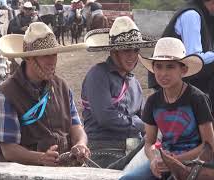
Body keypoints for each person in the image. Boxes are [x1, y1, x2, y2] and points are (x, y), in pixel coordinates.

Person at [0, 22, 90, 166]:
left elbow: (76, 126)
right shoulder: (5, 96)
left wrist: (81, 144)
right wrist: (40, 158)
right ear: (28, 58)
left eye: (54, 54)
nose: (52, 61)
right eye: (45, 55)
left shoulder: (61, 86)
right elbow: (8, 149)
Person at [121, 37, 214, 179]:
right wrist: (153, 160)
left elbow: (209, 145)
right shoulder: (153, 102)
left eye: (170, 66)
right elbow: (149, 142)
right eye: (158, 66)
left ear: (183, 70)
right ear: (153, 69)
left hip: (197, 162)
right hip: (165, 161)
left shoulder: (197, 99)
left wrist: (176, 161)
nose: (163, 73)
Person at [81, 16, 156, 168]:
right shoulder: (98, 74)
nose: (132, 56)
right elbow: (106, 117)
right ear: (114, 51)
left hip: (132, 146)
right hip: (103, 148)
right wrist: (143, 126)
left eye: (135, 50)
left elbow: (144, 119)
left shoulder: (135, 83)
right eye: (126, 50)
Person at [148, 0, 214, 112]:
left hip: (186, 73)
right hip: (171, 75)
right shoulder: (191, 15)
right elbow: (193, 58)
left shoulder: (208, 17)